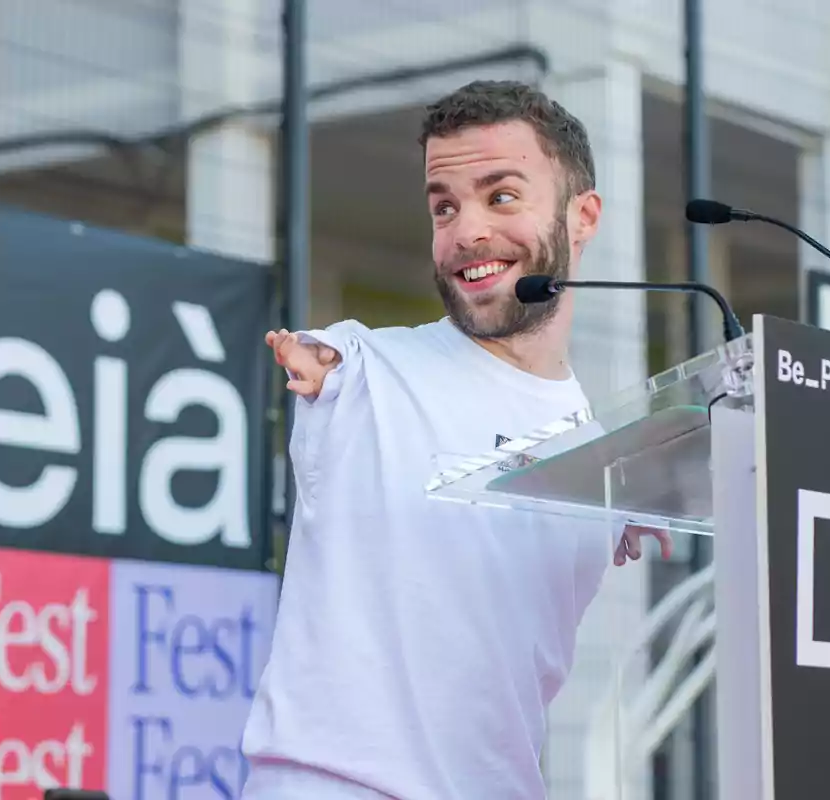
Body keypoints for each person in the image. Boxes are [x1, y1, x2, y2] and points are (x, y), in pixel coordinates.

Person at [239, 80, 673, 800]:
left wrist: (648, 494)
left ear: (582, 216)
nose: (467, 230)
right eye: (445, 205)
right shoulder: (367, 367)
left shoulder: (599, 446)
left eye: (501, 196)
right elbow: (326, 361)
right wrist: (316, 366)